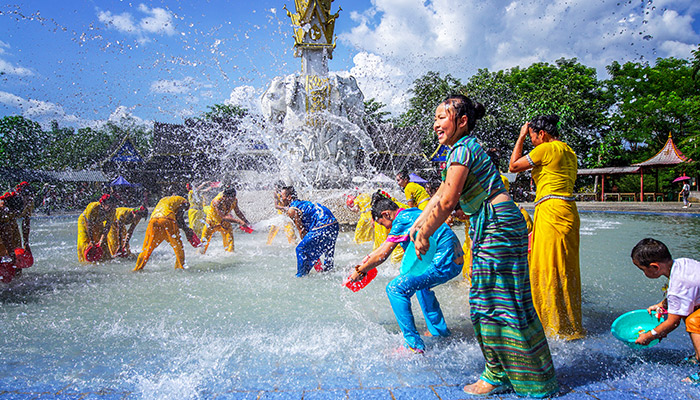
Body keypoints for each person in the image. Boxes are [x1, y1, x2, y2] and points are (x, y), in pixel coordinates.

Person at [411, 95, 558, 397]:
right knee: (505, 301)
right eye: (435, 118)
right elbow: (441, 193)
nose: (436, 123)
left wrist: (425, 233)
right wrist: (419, 222)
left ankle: (498, 373)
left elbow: (450, 202)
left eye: (442, 117)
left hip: (497, 225)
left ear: (462, 121)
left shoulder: (462, 149)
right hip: (498, 222)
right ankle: (525, 374)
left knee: (488, 303)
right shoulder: (460, 150)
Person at [348, 194, 463, 353]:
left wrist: (360, 271)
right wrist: (367, 261)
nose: (388, 228)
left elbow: (383, 255)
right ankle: (439, 332)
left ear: (386, 214)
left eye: (385, 225)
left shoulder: (400, 221)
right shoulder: (412, 213)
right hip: (455, 260)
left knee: (395, 288)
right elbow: (386, 249)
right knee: (421, 285)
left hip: (443, 261)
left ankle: (413, 346)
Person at [509, 115, 584, 341]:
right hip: (567, 211)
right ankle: (570, 323)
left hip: (551, 211)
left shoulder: (547, 148)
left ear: (541, 133)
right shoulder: (569, 151)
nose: (531, 141)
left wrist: (520, 137)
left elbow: (513, 167)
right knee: (565, 268)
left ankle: (553, 326)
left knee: (548, 268)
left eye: (532, 136)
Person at [631, 238, 700, 383]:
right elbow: (686, 293)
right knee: (686, 311)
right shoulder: (681, 263)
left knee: (693, 321)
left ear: (655, 267)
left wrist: (650, 335)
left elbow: (673, 323)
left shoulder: (678, 286)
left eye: (642, 269)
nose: (643, 273)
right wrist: (662, 304)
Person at [278, 186, 339, 277]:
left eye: (281, 196)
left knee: (301, 249)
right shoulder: (303, 203)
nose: (280, 199)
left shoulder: (292, 209)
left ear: (289, 197)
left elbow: (302, 231)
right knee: (328, 249)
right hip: (334, 223)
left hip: (323, 225)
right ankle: (328, 271)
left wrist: (307, 247)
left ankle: (301, 276)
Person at [134, 195, 197, 271]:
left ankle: (137, 268)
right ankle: (180, 268)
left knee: (146, 248)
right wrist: (186, 230)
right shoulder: (184, 201)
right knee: (178, 247)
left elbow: (177, 219)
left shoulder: (164, 200)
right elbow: (179, 218)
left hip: (153, 220)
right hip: (167, 219)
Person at [200, 186, 252, 254]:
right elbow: (223, 217)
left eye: (234, 196)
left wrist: (246, 221)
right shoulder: (217, 201)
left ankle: (231, 259)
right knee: (202, 245)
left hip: (225, 224)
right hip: (211, 223)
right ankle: (200, 255)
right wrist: (239, 221)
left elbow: (237, 211)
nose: (233, 199)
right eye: (231, 197)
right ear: (224, 196)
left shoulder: (234, 200)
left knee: (230, 246)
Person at [77, 194, 117, 263]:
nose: (111, 207)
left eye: (112, 205)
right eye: (109, 204)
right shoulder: (93, 207)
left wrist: (101, 240)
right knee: (85, 240)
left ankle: (105, 259)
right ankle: (85, 261)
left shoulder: (113, 211)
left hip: (98, 223)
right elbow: (88, 226)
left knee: (103, 243)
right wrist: (92, 241)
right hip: (84, 222)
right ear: (103, 203)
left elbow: (107, 227)